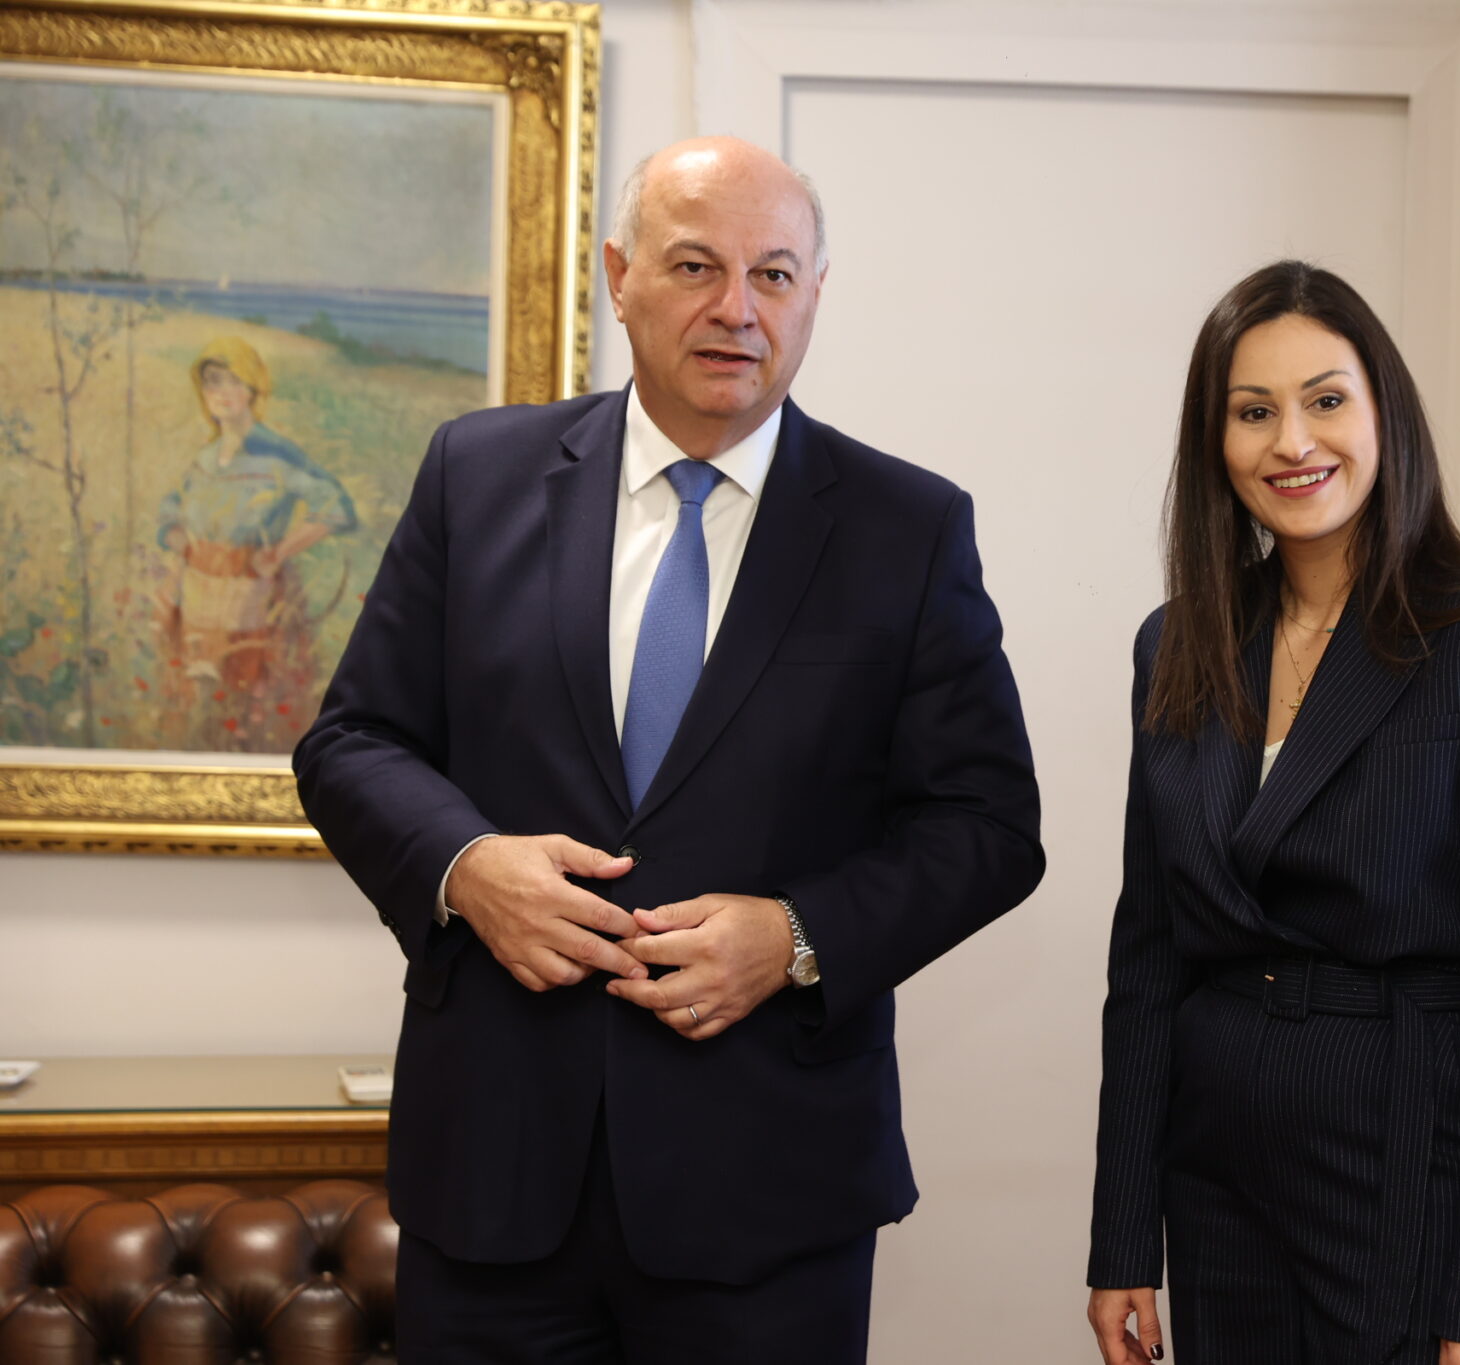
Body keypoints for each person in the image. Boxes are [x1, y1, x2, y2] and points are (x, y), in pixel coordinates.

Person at [294, 137, 1042, 1364]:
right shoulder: (475, 475)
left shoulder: (905, 529)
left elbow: (988, 828)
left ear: (812, 294)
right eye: (695, 266)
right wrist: (466, 866)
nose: (736, 308)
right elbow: (351, 742)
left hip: (769, 1195)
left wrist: (795, 937)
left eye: (773, 274)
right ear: (618, 276)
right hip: (494, 1178)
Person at [1085, 262, 1460, 1365]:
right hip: (1218, 1180)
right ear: (1215, 442)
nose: (1292, 442)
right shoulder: (1175, 645)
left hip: (1407, 1166)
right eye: (1252, 411)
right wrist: (1122, 1234)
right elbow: (1149, 958)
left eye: (1325, 399)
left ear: (1383, 414)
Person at [158, 335, 356, 743]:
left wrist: (279, 552)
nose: (223, 392)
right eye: (213, 381)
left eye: (235, 381)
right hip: (197, 597)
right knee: (197, 705)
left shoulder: (276, 454)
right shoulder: (206, 457)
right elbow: (170, 508)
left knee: (243, 704)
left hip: (251, 598)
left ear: (253, 389)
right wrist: (181, 541)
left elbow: (337, 507)